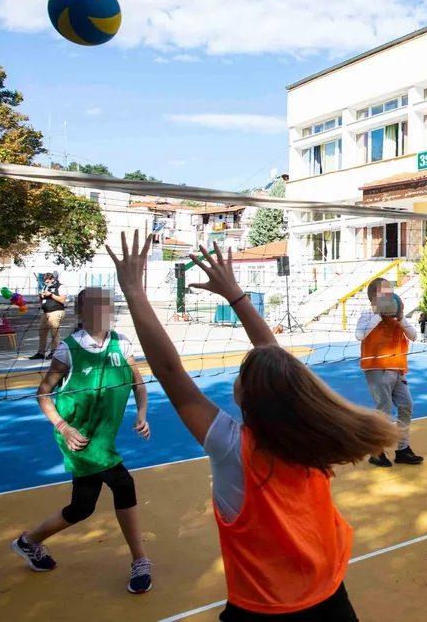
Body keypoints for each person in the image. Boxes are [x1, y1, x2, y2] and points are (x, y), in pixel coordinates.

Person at [108, 233, 398, 621]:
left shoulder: (234, 448)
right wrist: (236, 296)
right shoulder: (310, 435)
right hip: (330, 598)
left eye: (241, 375)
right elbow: (276, 362)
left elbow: (169, 370)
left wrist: (133, 292)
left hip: (264, 610)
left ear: (246, 397)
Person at [11, 287, 153, 594]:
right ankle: (140, 560)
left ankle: (29, 541)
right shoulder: (69, 349)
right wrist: (63, 427)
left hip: (104, 435)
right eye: (97, 307)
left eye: (108, 306)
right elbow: (43, 393)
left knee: (82, 506)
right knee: (123, 483)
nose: (105, 312)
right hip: (78, 436)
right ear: (82, 313)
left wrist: (142, 413)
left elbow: (138, 384)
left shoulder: (121, 343)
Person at [355, 277, 423, 467]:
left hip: (397, 368)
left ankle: (403, 449)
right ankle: (376, 452)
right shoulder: (367, 314)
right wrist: (378, 314)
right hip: (377, 368)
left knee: (406, 405)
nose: (390, 293)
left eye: (390, 290)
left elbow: (414, 336)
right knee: (383, 409)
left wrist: (401, 319)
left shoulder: (396, 317)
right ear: (374, 297)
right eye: (385, 291)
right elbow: (359, 335)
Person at [30, 272, 66, 360]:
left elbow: (62, 300)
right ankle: (41, 352)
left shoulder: (60, 287)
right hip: (45, 312)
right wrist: (41, 296)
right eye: (45, 282)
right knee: (42, 332)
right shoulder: (46, 287)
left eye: (47, 282)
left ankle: (55, 352)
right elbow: (43, 299)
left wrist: (51, 295)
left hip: (56, 311)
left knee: (54, 332)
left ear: (52, 279)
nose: (46, 283)